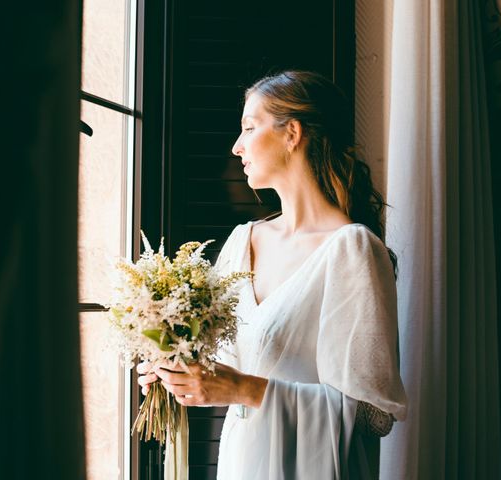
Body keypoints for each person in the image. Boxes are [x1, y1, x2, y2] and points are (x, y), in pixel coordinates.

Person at [138, 70, 407, 479]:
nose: (237, 146)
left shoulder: (352, 250)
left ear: (292, 133)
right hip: (242, 462)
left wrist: (245, 390)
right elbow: (221, 365)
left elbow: (372, 416)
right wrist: (172, 366)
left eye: (248, 127)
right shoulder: (242, 242)